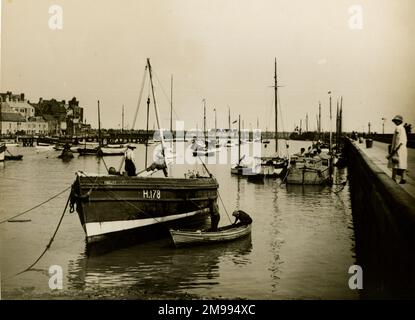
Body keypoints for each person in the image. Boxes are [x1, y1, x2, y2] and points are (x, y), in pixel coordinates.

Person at [387, 115, 408, 184]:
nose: (395, 122)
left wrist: (394, 150)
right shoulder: (403, 128)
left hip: (398, 149)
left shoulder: (398, 128)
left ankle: (393, 178)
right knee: (402, 164)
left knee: (395, 163)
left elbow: (397, 140)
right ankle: (403, 178)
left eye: (396, 121)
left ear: (399, 121)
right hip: (403, 148)